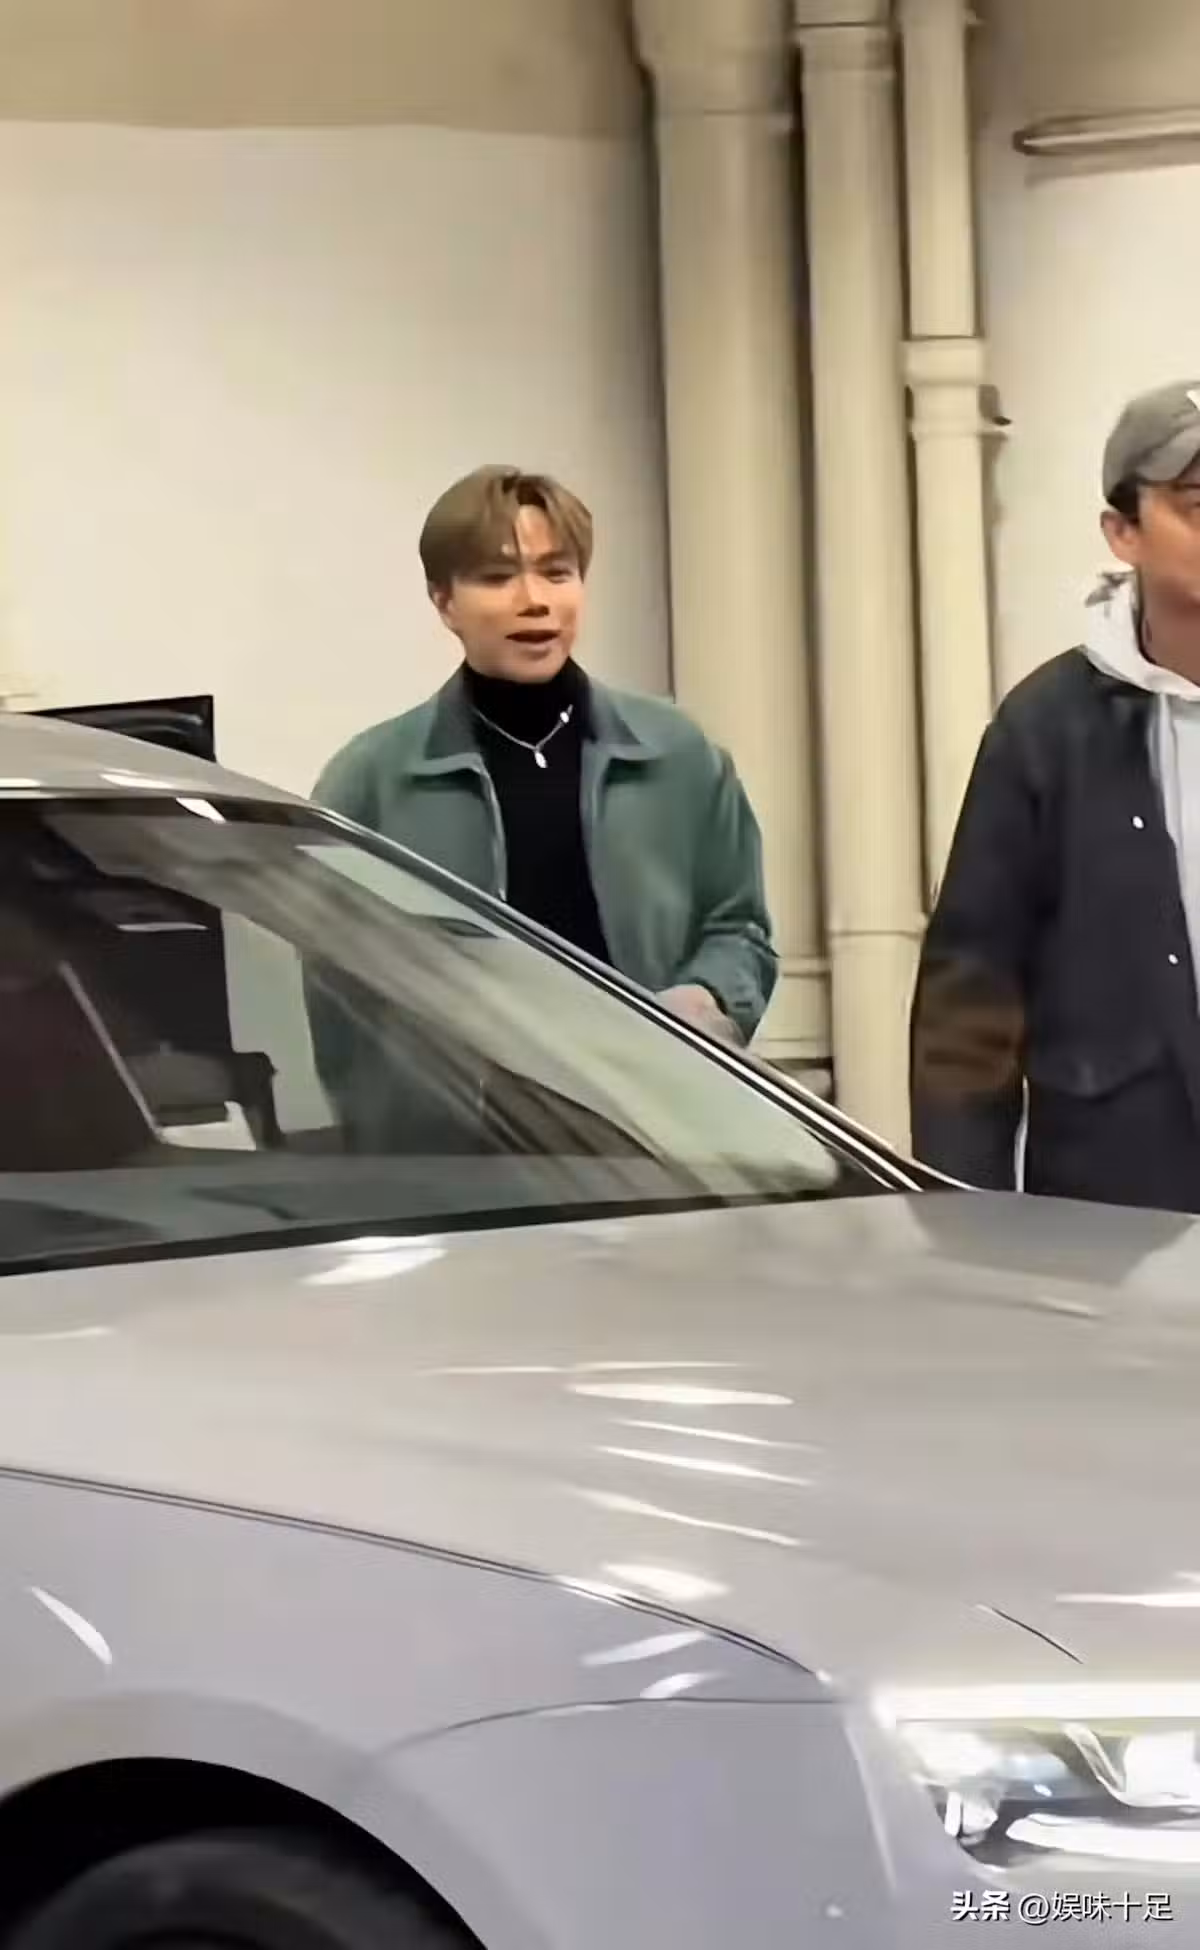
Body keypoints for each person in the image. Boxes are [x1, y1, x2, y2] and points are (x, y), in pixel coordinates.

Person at [314, 464, 776, 1047]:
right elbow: (336, 981)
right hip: (468, 1102)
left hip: (650, 1092)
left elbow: (740, 929)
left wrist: (701, 1005)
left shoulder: (677, 754)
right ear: (444, 602)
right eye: (497, 577)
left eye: (557, 573)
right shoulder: (374, 780)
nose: (534, 601)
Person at [911, 379, 1200, 1213]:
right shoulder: (1047, 728)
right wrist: (967, 1212)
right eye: (1197, 506)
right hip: (1116, 1215)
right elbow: (971, 994)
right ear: (1123, 532)